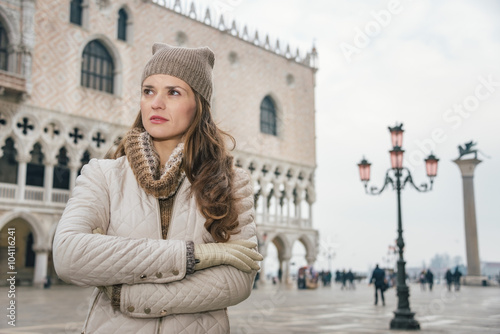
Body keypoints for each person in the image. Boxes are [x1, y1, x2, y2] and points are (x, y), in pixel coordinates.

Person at [52, 43, 263, 334]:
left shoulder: (231, 181)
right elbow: (68, 256)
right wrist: (198, 257)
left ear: (199, 105)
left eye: (173, 92)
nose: (156, 103)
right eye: (148, 91)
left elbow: (236, 282)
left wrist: (125, 294)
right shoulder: (103, 174)